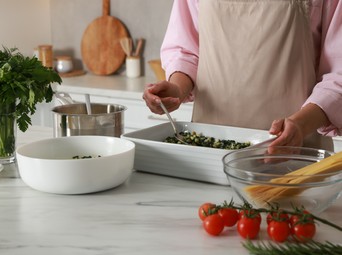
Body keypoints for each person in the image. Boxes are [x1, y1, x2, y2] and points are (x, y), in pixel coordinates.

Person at [143, 0, 342, 150]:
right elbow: (187, 50)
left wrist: (300, 125)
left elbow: (338, 73)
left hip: (292, 156)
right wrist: (177, 88)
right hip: (208, 155)